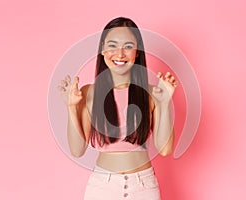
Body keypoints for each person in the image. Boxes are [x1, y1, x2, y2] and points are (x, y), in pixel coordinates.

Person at [58, 17, 178, 200]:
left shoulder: (152, 93)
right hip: (102, 188)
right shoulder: (89, 92)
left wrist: (164, 102)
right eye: (113, 45)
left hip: (144, 187)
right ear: (103, 49)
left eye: (128, 46)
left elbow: (165, 149)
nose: (120, 54)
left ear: (137, 52)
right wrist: (71, 107)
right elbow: (77, 149)